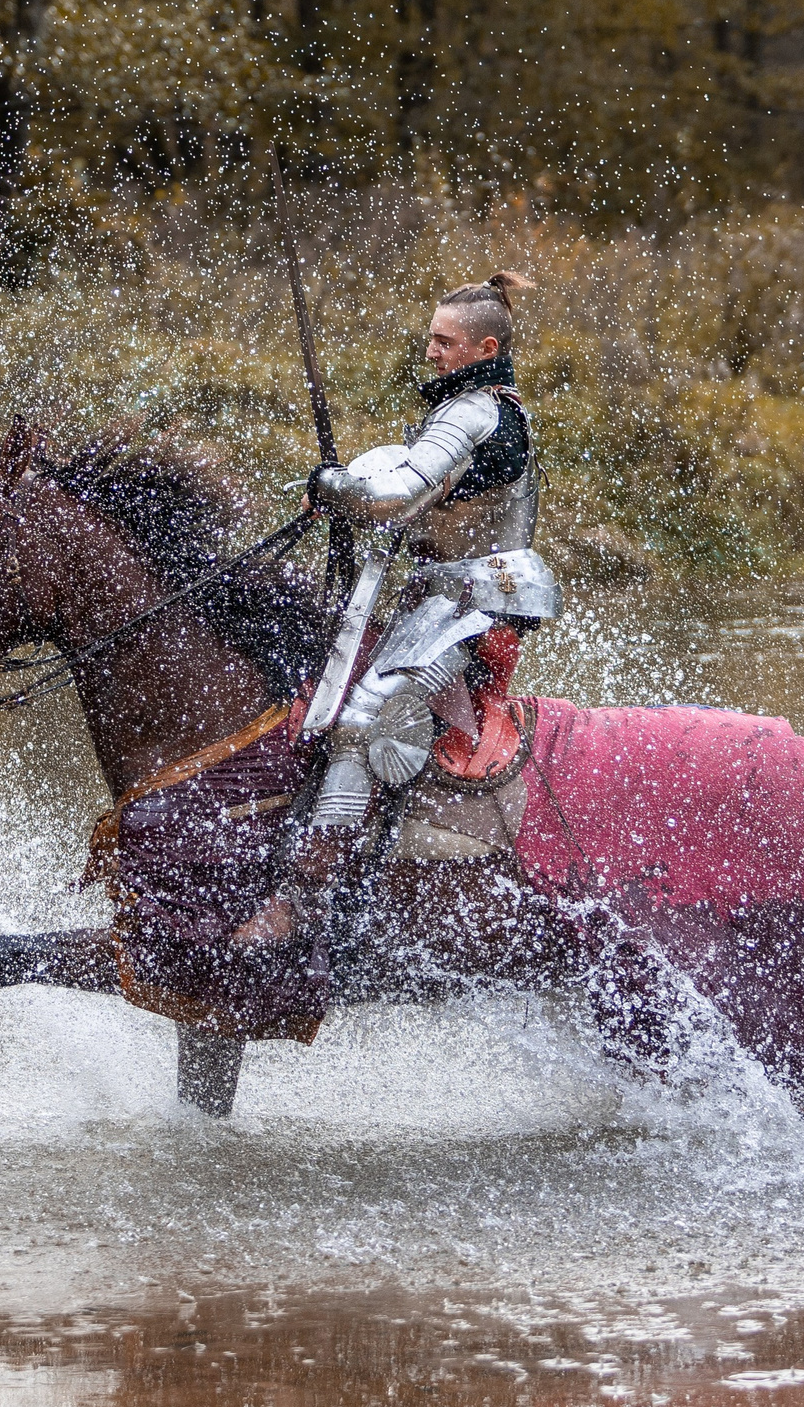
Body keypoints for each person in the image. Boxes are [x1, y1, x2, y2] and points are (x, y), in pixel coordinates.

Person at [232, 271, 561, 948]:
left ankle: (304, 897)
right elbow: (401, 462)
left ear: (483, 346)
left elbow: (400, 496)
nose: (433, 351)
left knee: (364, 717)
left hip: (479, 607)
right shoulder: (459, 411)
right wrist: (342, 478)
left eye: (446, 342)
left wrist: (337, 487)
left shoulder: (482, 415)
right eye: (433, 338)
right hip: (440, 602)